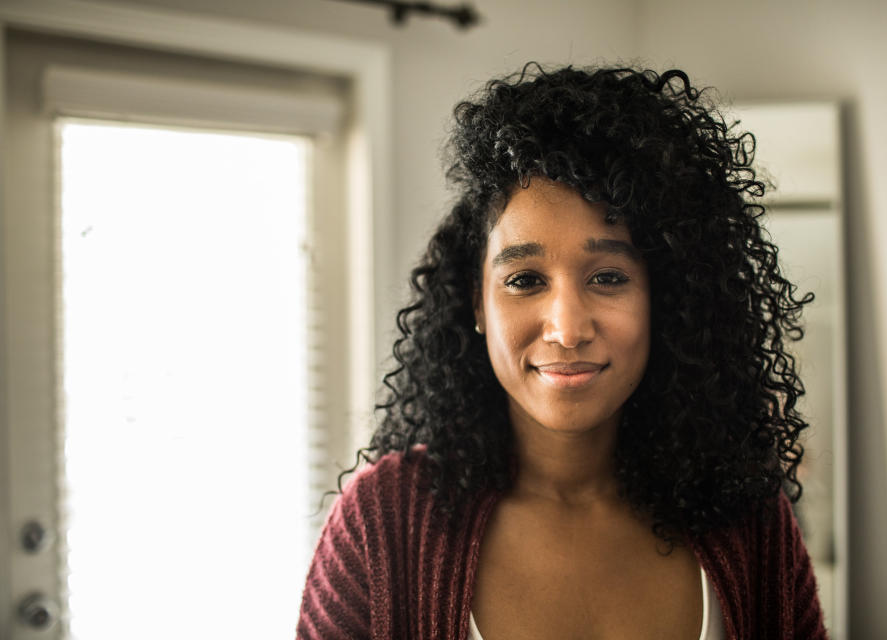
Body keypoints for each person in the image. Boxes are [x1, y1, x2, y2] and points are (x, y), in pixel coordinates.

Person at [296, 63, 827, 640]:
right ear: (475, 303)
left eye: (608, 277)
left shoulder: (746, 517)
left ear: (665, 298)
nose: (567, 329)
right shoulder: (385, 521)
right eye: (525, 280)